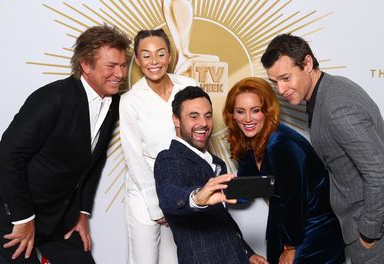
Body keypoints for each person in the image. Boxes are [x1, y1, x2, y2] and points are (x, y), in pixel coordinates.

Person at [0, 25, 131, 264]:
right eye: (111, 66)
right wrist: (22, 219)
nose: (120, 73)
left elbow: (94, 162)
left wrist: (83, 213)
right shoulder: (52, 98)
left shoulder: (114, 104)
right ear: (85, 65)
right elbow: (7, 155)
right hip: (12, 208)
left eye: (123, 65)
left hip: (58, 212)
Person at [261, 33, 384, 263]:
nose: (281, 89)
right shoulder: (328, 91)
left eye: (286, 78)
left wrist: (369, 232)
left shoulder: (336, 105)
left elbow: (379, 171)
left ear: (307, 63)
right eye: (275, 82)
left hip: (372, 236)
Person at [223, 77, 345, 263]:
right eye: (241, 111)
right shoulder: (249, 142)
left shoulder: (282, 145)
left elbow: (293, 200)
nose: (247, 119)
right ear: (232, 115)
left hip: (315, 228)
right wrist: (206, 197)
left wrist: (290, 247)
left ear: (268, 111)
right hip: (284, 224)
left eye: (255, 110)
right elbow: (247, 189)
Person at [154, 86, 268, 264]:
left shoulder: (217, 163)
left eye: (207, 116)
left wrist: (247, 253)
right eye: (194, 116)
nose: (203, 123)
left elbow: (221, 219)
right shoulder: (168, 158)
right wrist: (197, 198)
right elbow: (169, 196)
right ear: (176, 120)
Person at [119, 29, 197, 264]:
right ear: (138, 60)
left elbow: (199, 138)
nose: (154, 61)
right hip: (145, 195)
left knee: (176, 259)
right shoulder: (130, 100)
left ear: (170, 56)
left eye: (160, 54)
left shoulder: (189, 86)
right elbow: (133, 157)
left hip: (182, 190)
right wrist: (157, 205)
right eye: (146, 55)